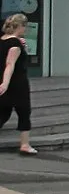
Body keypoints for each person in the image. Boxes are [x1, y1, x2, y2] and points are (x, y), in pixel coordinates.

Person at [0, 13, 32, 155]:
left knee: (3, 112)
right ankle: (24, 144)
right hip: (17, 83)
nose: (26, 29)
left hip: (4, 81)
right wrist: (5, 84)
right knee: (24, 111)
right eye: (25, 26)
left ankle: (25, 145)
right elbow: (10, 64)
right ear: (20, 26)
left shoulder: (3, 40)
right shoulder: (15, 43)